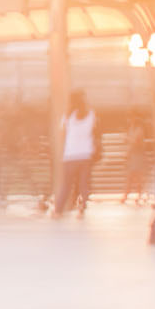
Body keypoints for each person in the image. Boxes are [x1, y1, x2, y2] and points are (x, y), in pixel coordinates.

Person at [54, 89, 96, 218]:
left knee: (66, 185)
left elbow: (62, 131)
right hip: (86, 155)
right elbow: (94, 131)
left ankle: (58, 212)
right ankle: (81, 210)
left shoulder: (68, 115)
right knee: (84, 184)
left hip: (70, 155)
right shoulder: (91, 114)